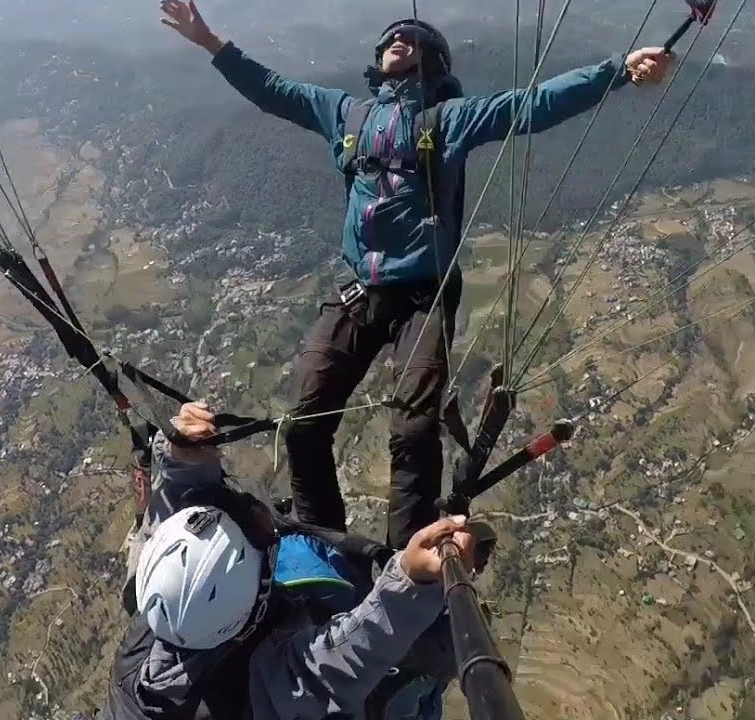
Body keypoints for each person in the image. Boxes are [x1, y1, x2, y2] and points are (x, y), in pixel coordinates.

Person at [160, 0, 674, 549]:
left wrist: (618, 70)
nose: (398, 41)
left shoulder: (448, 119)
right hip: (363, 291)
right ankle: (321, 543)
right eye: (391, 39)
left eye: (412, 39)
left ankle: (404, 564)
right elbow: (274, 90)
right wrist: (211, 42)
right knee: (306, 418)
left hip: (424, 296)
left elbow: (535, 104)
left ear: (433, 62)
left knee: (414, 428)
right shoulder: (347, 115)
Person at [100, 401, 478, 719]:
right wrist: (411, 582)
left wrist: (184, 462)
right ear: (247, 612)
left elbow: (172, 536)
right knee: (416, 665)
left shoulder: (160, 617)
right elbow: (350, 652)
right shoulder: (266, 687)